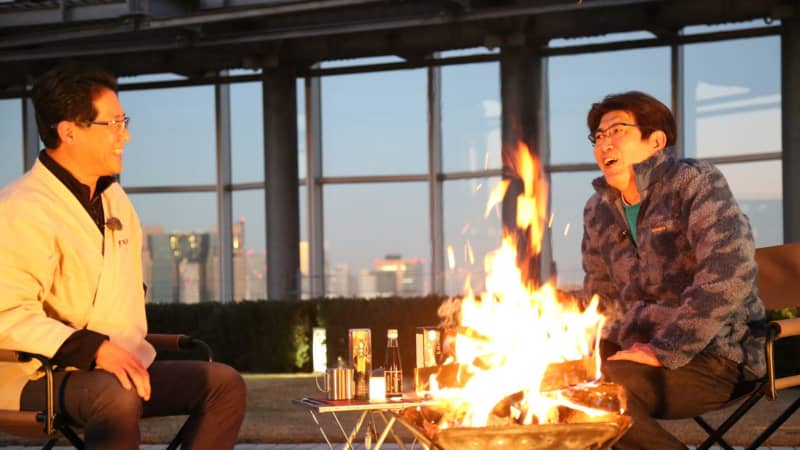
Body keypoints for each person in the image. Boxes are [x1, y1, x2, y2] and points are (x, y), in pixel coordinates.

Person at [0, 61, 246, 449]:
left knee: (223, 384)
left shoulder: (115, 200)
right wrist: (95, 350)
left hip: (117, 368)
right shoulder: (20, 207)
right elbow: (7, 315)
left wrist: (116, 351)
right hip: (31, 376)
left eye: (124, 121)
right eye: (113, 123)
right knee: (115, 395)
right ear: (69, 131)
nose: (125, 135)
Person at [580, 91, 766, 449]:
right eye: (599, 136)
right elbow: (600, 295)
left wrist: (666, 348)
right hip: (636, 354)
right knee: (554, 381)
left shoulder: (694, 182)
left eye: (617, 131)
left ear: (656, 141)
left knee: (601, 390)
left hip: (716, 356)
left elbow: (728, 272)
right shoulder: (598, 209)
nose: (604, 143)